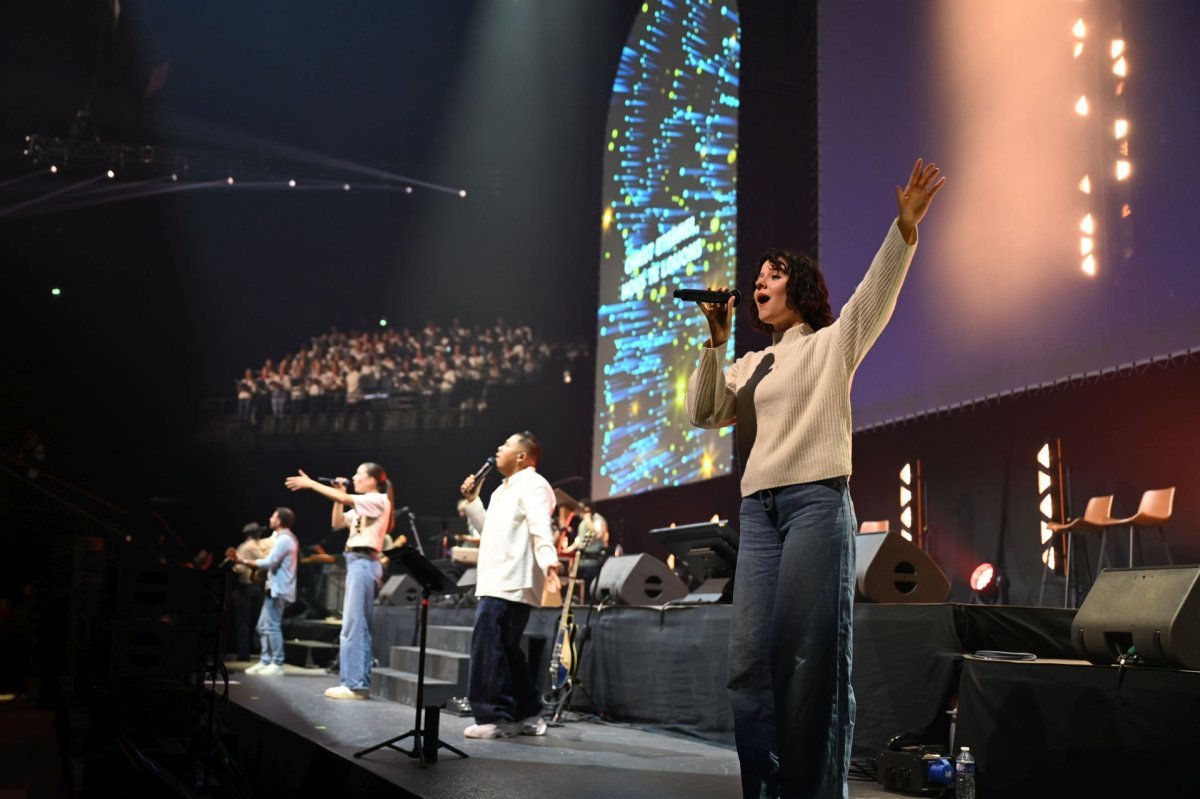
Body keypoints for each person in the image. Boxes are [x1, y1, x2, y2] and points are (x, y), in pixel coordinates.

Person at [685, 159, 945, 799]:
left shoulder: (832, 344)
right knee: (748, 665)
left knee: (807, 664)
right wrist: (716, 343)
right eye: (755, 280)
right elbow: (702, 412)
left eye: (771, 275)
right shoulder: (748, 363)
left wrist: (904, 228)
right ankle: (764, 788)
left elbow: (875, 294)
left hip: (815, 503)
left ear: (797, 286)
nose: (757, 285)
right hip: (758, 511)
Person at [458, 431, 560, 739]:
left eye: (505, 445)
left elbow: (540, 524)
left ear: (522, 456)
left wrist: (549, 561)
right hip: (496, 578)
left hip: (513, 579)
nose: (498, 448)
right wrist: (473, 501)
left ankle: (493, 716)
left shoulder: (534, 484)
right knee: (505, 649)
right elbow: (488, 530)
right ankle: (528, 712)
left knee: (489, 646)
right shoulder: (502, 490)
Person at [285, 462, 394, 699]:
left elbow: (348, 502)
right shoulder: (364, 503)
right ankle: (353, 682)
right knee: (352, 625)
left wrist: (312, 484)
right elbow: (337, 523)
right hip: (356, 562)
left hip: (365, 561)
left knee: (355, 626)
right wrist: (340, 496)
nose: (354, 477)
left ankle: (355, 684)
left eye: (359, 474)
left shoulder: (378, 500)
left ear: (373, 480)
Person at [229, 508, 299, 677]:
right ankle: (265, 660)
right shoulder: (281, 538)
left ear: (280, 520)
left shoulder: (284, 539)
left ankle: (277, 662)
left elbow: (270, 562)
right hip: (273, 587)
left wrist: (243, 560)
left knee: (272, 626)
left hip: (279, 589)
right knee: (262, 626)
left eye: (273, 516)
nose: (270, 518)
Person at [231, 521, 269, 662]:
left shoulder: (245, 547)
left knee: (243, 621)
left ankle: (243, 653)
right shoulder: (262, 546)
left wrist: (234, 565)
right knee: (257, 620)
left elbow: (239, 569)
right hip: (258, 586)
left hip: (246, 586)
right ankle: (259, 650)